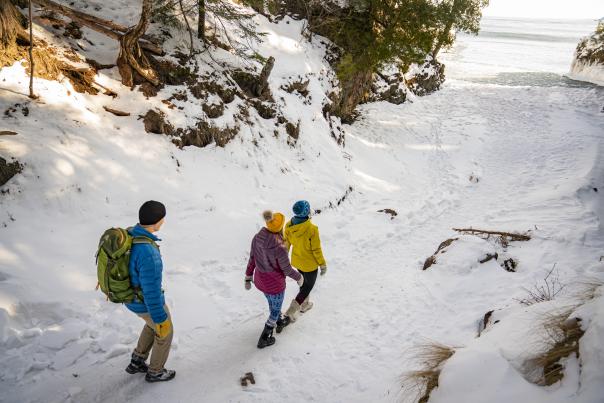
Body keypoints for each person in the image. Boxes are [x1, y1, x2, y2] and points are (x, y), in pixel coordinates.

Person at [124, 200, 175, 382]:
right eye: (163, 219)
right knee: (164, 330)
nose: (164, 221)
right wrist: (160, 316)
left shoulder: (131, 233)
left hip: (130, 297)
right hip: (142, 301)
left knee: (150, 324)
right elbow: (151, 290)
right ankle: (156, 371)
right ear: (157, 221)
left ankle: (137, 360)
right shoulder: (148, 252)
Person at [245, 210, 303, 348]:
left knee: (272, 303)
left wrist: (248, 276)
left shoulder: (257, 238)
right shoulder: (279, 246)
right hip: (275, 285)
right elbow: (287, 269)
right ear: (280, 227)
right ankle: (264, 337)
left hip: (261, 281)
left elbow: (252, 258)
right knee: (275, 309)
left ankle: (279, 321)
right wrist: (299, 277)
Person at [283, 200, 327, 322]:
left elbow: (286, 244)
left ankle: (305, 304)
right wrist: (322, 264)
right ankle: (291, 311)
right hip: (310, 264)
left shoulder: (288, 226)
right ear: (307, 211)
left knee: (302, 282)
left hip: (297, 262)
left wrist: (283, 257)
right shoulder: (311, 229)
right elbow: (316, 249)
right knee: (307, 286)